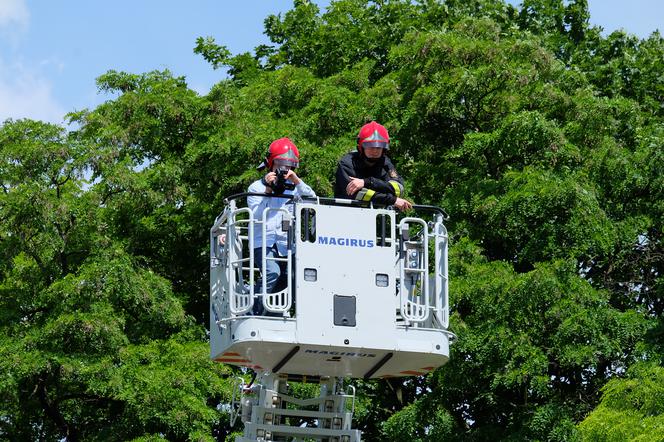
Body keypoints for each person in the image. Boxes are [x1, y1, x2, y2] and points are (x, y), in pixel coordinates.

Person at [247, 137, 316, 314]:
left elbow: (313, 202)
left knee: (290, 278)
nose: (284, 169)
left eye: (290, 165)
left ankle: (273, 313)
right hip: (263, 242)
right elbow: (255, 216)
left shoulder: (294, 188)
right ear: (271, 164)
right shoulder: (256, 187)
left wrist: (296, 181)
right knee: (273, 272)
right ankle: (252, 311)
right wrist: (268, 191)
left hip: (287, 245)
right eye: (280, 164)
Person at [334, 121, 412, 211]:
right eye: (370, 146)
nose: (375, 151)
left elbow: (398, 188)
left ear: (384, 148)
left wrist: (368, 182)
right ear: (361, 146)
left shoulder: (385, 162)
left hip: (375, 218)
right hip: (344, 215)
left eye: (379, 147)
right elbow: (359, 194)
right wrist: (392, 200)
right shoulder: (347, 163)